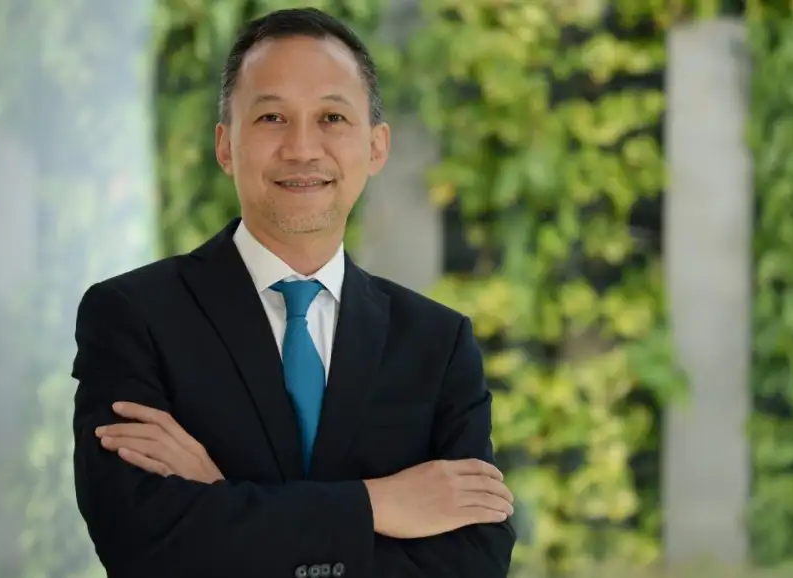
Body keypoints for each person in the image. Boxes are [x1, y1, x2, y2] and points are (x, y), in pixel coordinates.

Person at [71, 7, 516, 578]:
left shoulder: (439, 343)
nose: (302, 148)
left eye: (332, 117)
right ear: (225, 145)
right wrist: (378, 504)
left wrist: (221, 499)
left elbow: (473, 563)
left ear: (376, 147)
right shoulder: (132, 317)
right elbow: (140, 543)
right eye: (272, 117)